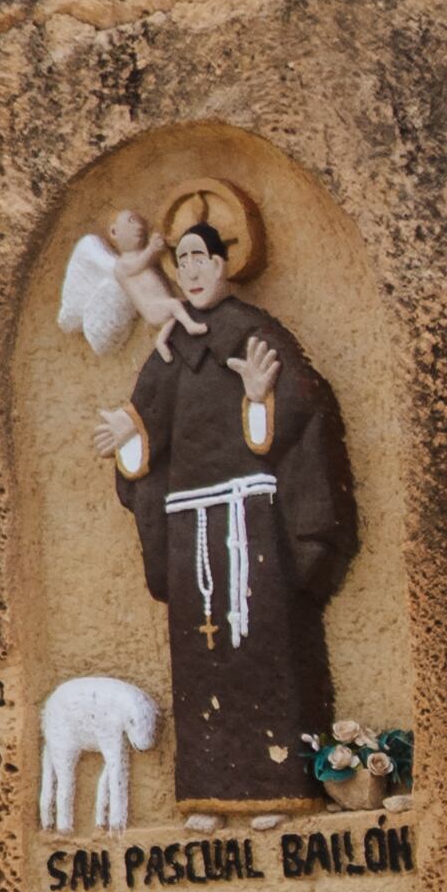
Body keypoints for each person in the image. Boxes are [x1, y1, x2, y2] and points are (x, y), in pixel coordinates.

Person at [86, 183, 357, 814]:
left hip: (250, 519)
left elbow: (303, 408)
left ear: (223, 263)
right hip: (188, 524)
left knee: (263, 645)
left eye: (200, 259)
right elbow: (148, 424)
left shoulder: (254, 332)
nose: (191, 272)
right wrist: (131, 434)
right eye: (181, 261)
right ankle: (207, 792)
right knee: (198, 655)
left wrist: (261, 399)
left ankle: (279, 786)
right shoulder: (170, 349)